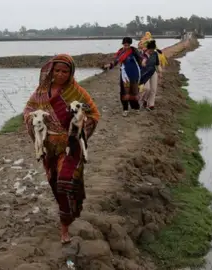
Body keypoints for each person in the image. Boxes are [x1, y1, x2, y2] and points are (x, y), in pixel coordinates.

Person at [23, 54, 100, 244]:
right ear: (50, 70)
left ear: (71, 72)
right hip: (49, 146)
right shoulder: (41, 92)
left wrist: (81, 123)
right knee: (55, 183)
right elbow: (28, 110)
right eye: (57, 70)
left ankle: (64, 227)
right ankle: (66, 217)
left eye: (65, 71)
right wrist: (32, 119)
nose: (60, 74)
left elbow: (94, 114)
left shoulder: (77, 92)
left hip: (71, 145)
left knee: (66, 180)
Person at [103, 37, 144, 117]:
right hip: (125, 76)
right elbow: (116, 61)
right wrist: (110, 65)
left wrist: (142, 68)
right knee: (124, 92)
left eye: (127, 45)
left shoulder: (134, 51)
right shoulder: (120, 52)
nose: (126, 46)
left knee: (134, 91)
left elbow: (140, 60)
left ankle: (135, 107)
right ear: (123, 44)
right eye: (125, 45)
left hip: (134, 74)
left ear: (130, 44)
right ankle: (125, 109)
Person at [139, 40, 162, 111]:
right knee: (147, 89)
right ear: (148, 48)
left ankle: (151, 104)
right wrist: (143, 63)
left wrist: (160, 72)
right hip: (145, 73)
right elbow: (141, 63)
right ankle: (144, 99)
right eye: (150, 50)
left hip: (153, 72)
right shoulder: (143, 54)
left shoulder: (155, 54)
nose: (151, 52)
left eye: (153, 50)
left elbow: (157, 64)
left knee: (153, 90)